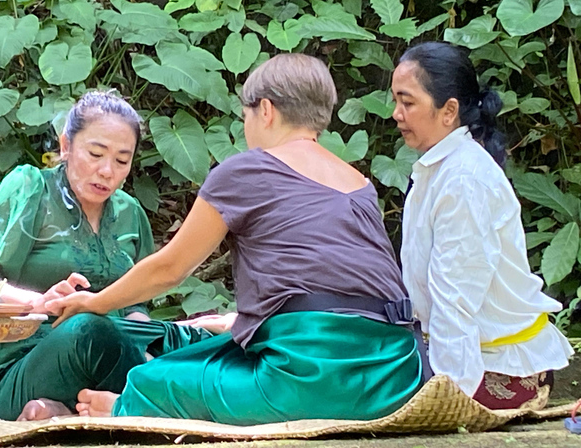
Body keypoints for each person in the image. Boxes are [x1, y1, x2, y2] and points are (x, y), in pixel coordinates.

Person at [44, 53, 425, 425]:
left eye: (245, 115)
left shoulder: (246, 169)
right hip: (396, 372)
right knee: (206, 350)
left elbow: (171, 268)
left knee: (152, 379)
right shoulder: (359, 183)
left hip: (308, 377)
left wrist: (95, 302)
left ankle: (125, 410)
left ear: (266, 110)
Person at [0, 90, 210, 421]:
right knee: (87, 329)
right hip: (25, 367)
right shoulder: (31, 188)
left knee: (204, 342)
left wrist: (153, 342)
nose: (107, 171)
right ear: (66, 146)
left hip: (113, 364)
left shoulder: (130, 213)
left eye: (121, 160)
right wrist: (38, 302)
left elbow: (135, 309)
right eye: (95, 153)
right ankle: (148, 399)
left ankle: (78, 411)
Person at [391, 41, 573, 409]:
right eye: (396, 101)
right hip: (455, 351)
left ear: (449, 111)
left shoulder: (463, 180)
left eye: (407, 103)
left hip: (497, 368)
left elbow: (455, 298)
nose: (396, 114)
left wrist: (445, 396)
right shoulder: (441, 168)